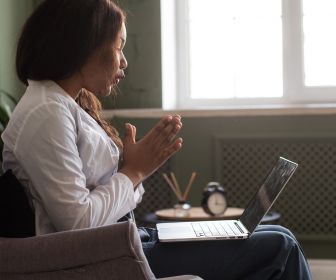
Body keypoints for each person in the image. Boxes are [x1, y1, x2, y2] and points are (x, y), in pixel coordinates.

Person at [1, 0, 312, 279]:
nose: (123, 61)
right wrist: (134, 171)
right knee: (279, 247)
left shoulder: (63, 106)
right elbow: (79, 225)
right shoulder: (46, 113)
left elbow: (117, 199)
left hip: (126, 239)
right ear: (83, 46)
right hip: (96, 258)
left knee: (276, 233)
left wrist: (128, 171)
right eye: (118, 46)